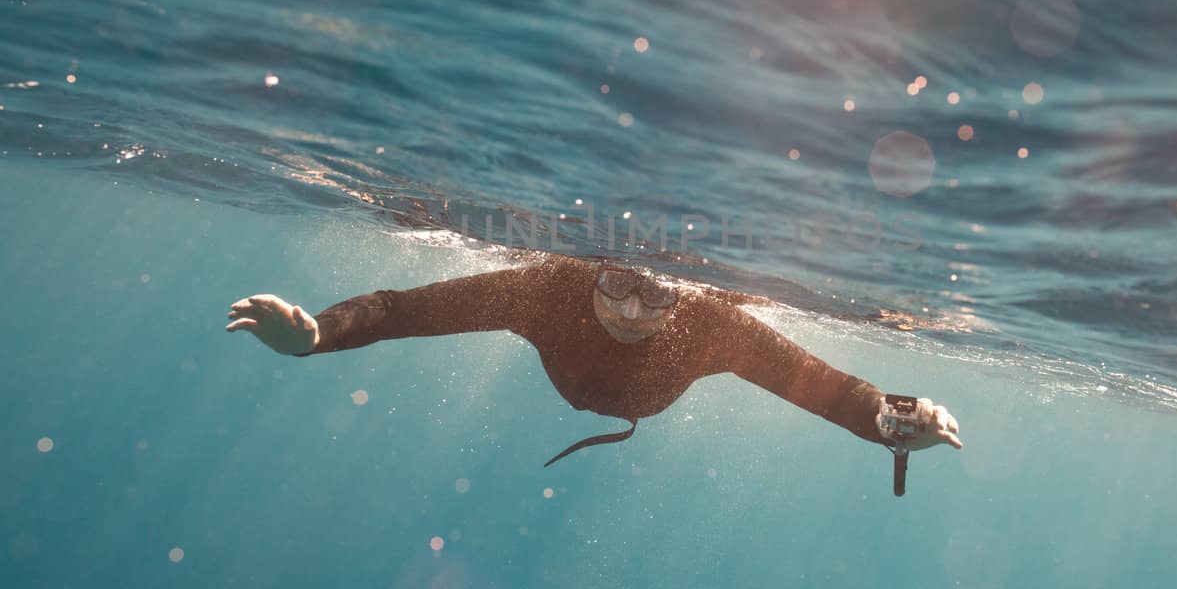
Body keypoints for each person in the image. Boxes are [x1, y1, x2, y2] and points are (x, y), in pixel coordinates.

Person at [226, 254, 960, 485]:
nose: (636, 311)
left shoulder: (713, 325)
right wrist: (318, 336)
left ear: (687, 293)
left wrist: (894, 421)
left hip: (648, 397)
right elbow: (401, 308)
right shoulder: (544, 289)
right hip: (570, 374)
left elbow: (827, 387)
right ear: (592, 272)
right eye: (619, 284)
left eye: (659, 292)